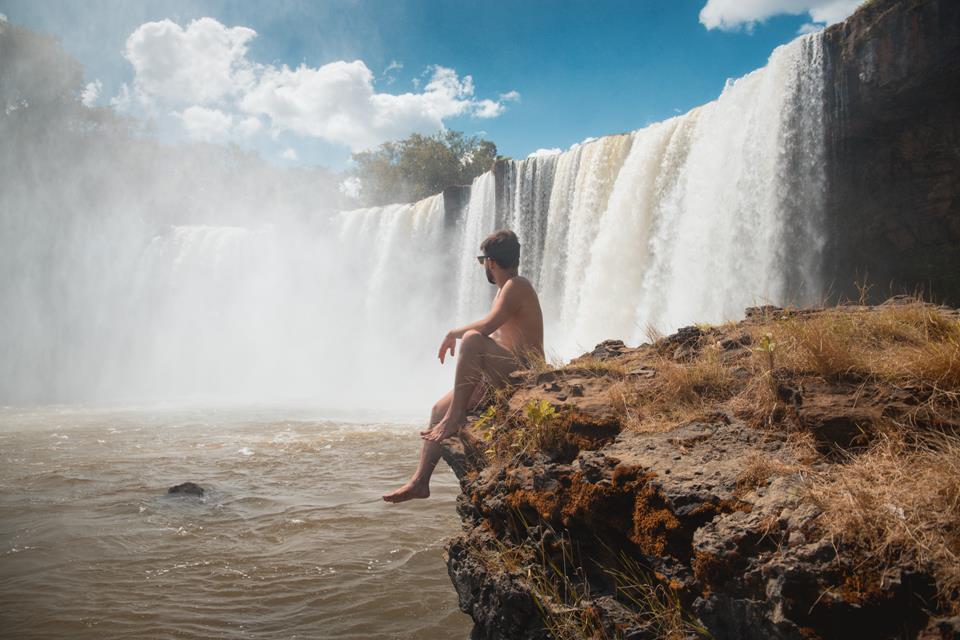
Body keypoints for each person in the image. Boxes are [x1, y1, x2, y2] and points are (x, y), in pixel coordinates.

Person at [382, 229, 544, 503]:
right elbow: (498, 336)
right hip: (505, 369)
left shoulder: (517, 285)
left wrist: (452, 333)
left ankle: (455, 418)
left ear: (490, 262)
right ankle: (420, 482)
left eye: (483, 261)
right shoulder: (506, 290)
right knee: (437, 409)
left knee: (471, 338)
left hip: (525, 372)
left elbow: (486, 328)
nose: (484, 267)